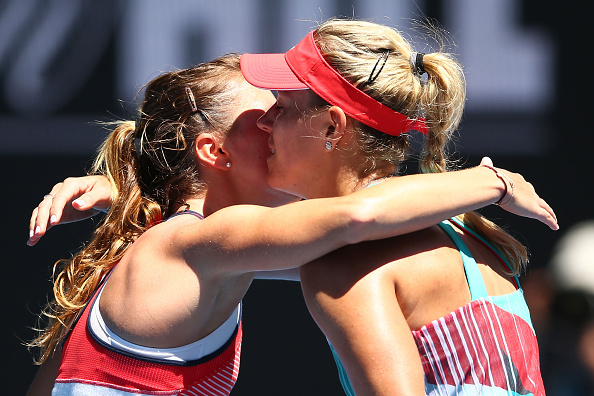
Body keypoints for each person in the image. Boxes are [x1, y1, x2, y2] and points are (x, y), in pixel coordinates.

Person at [26, 37, 555, 396]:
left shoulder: (201, 249)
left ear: (331, 128)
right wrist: (493, 182)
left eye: (283, 106)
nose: (274, 121)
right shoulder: (194, 246)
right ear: (214, 152)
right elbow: (355, 216)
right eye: (264, 115)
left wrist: (125, 192)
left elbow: (353, 222)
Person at [237, 19, 550, 395]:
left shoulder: (346, 262)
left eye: (283, 107)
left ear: (332, 128)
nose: (265, 122)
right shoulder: (464, 231)